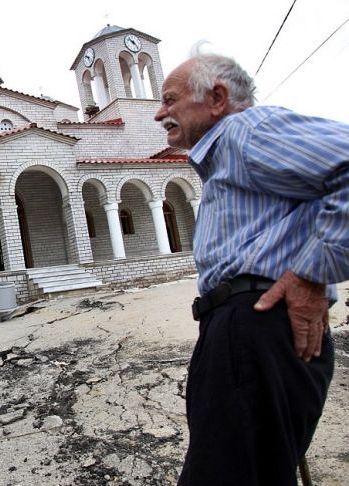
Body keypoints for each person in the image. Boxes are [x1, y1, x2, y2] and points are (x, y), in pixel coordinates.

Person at [154, 50, 349, 485]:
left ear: (217, 98)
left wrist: (312, 273)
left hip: (258, 326)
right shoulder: (229, 154)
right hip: (244, 331)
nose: (159, 113)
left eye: (170, 100)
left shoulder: (246, 131)